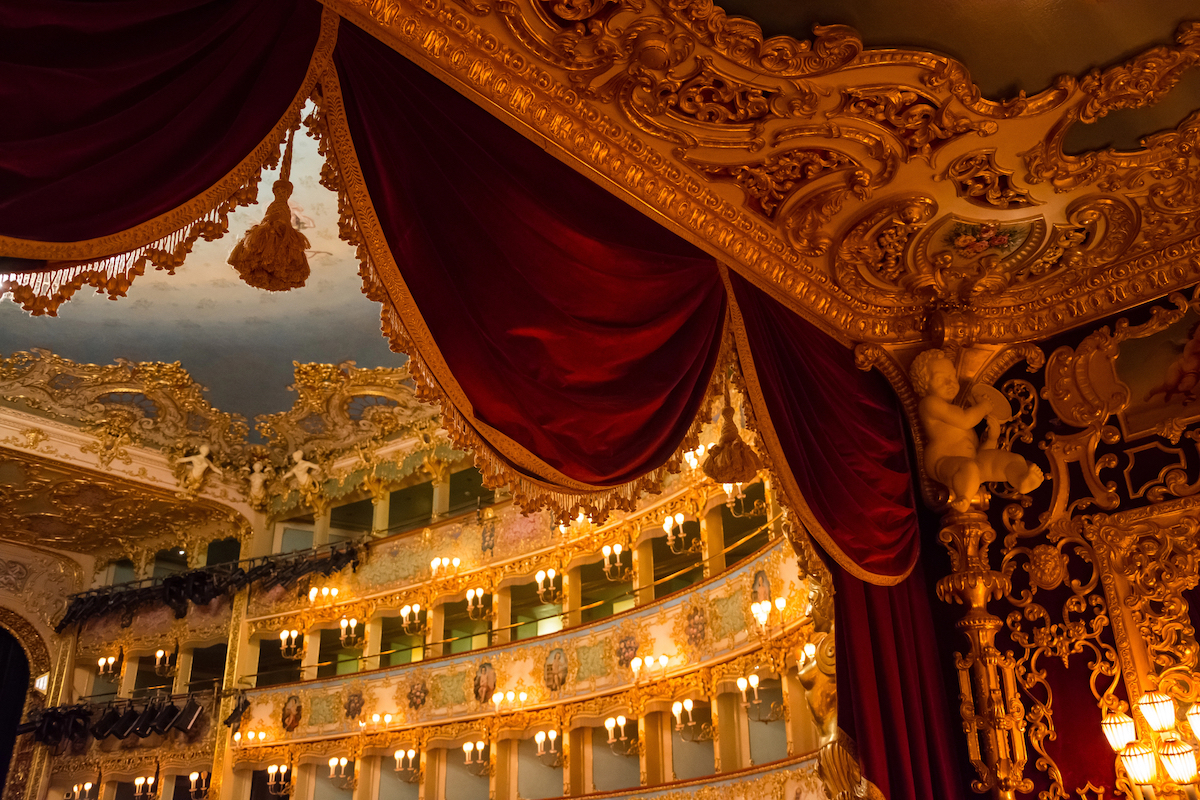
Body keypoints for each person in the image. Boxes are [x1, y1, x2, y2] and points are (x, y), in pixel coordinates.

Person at [911, 349, 1043, 512]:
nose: (950, 383)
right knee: (968, 468)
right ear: (924, 384)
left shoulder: (952, 408)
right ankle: (964, 498)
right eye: (941, 379)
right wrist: (984, 407)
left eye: (952, 377)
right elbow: (966, 420)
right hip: (943, 462)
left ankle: (1020, 478)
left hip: (972, 458)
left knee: (1007, 459)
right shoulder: (930, 404)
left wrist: (991, 439)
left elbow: (977, 450)